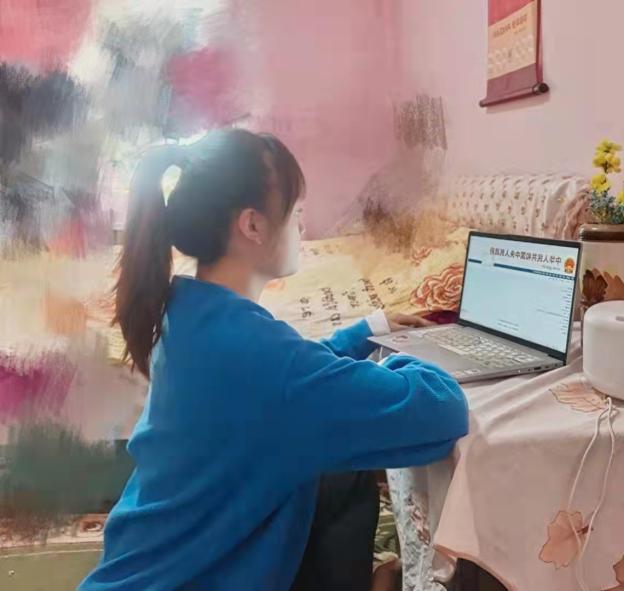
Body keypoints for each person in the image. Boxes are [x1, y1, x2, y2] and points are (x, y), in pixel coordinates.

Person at [78, 129, 468, 591]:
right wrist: (409, 355)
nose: (302, 228)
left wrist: (367, 331)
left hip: (145, 564)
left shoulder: (190, 311)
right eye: (297, 213)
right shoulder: (262, 358)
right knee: (342, 469)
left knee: (338, 480)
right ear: (253, 225)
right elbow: (442, 410)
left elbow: (286, 382)